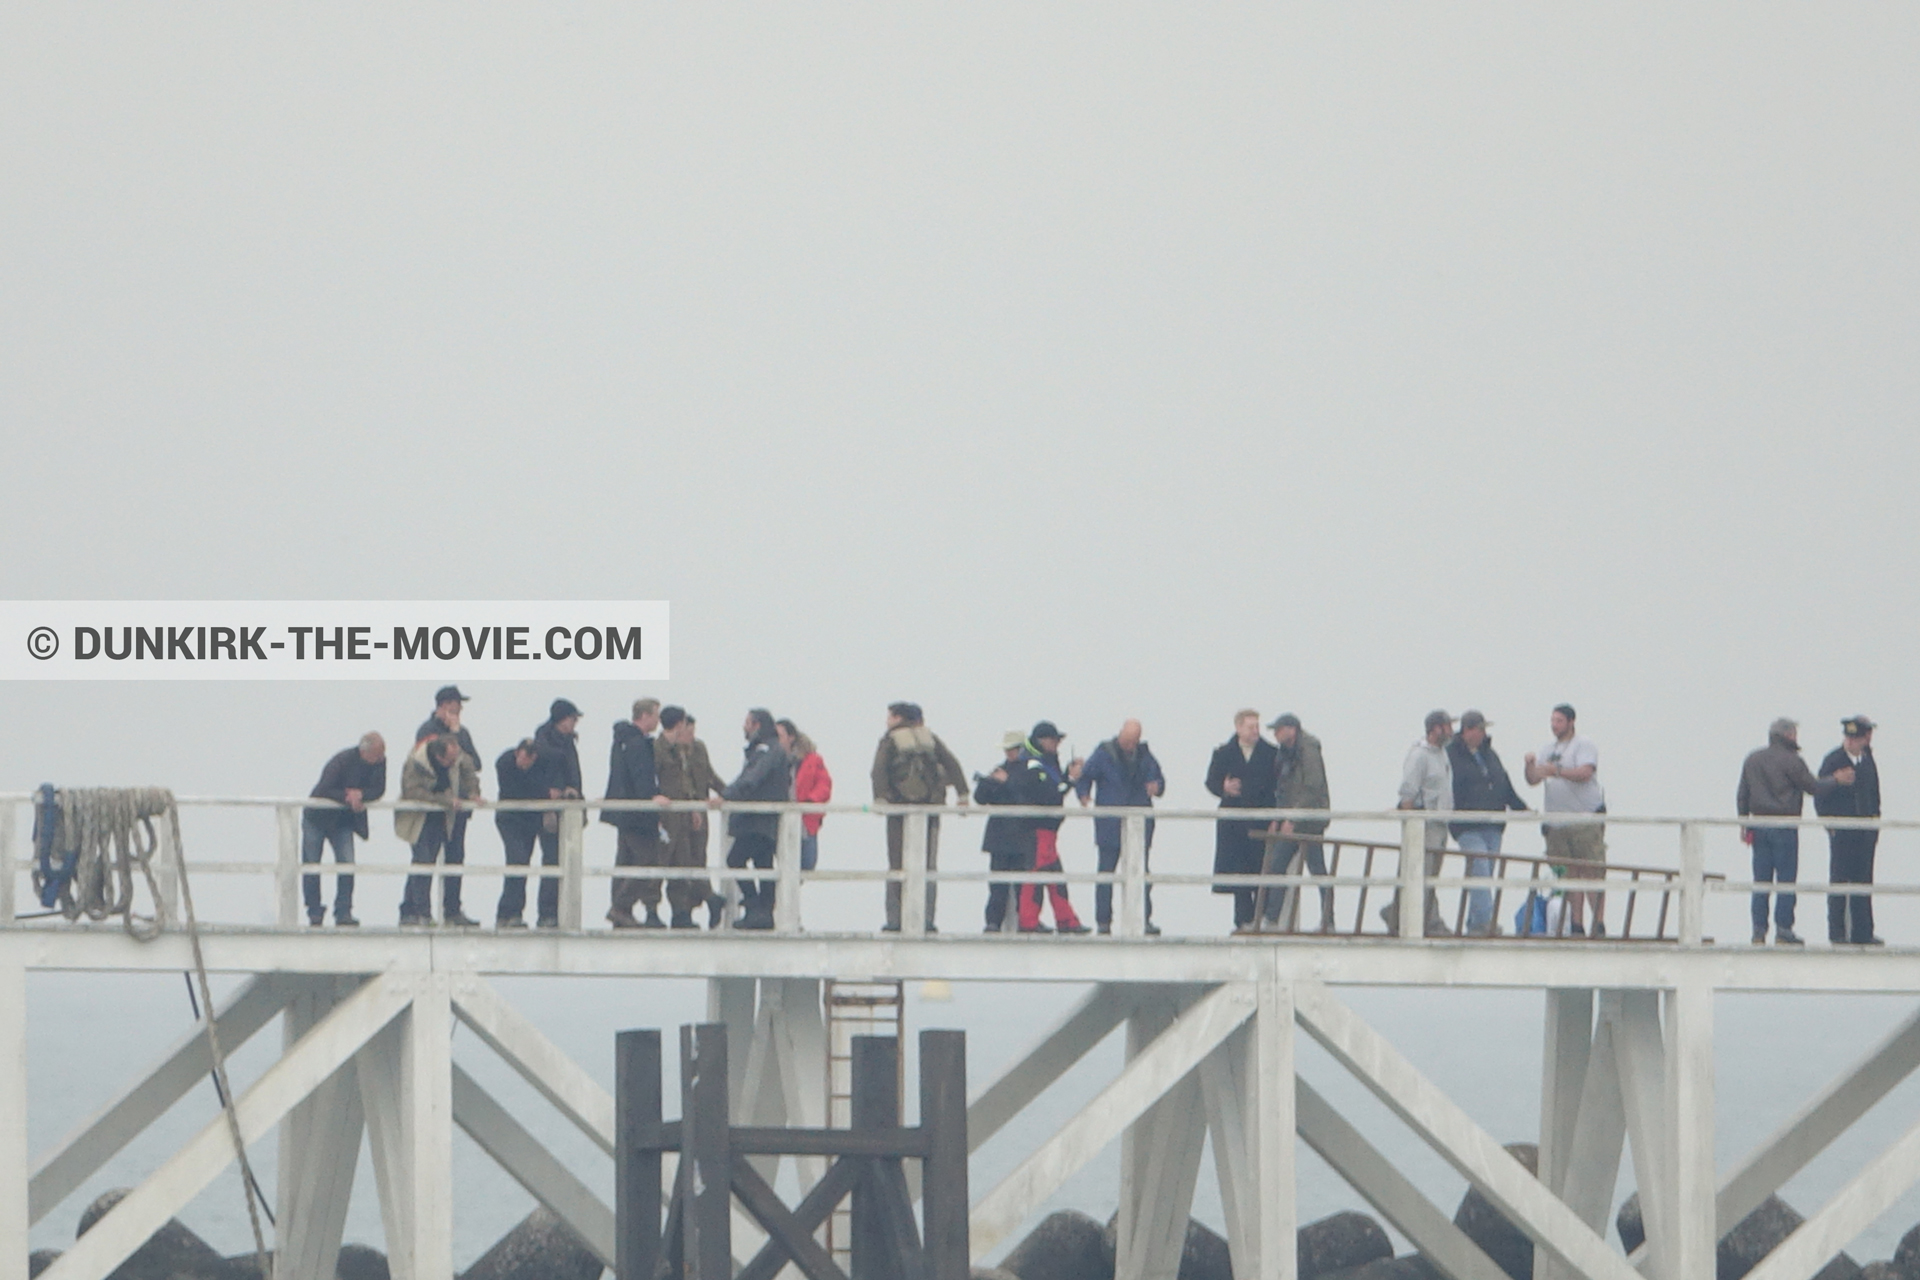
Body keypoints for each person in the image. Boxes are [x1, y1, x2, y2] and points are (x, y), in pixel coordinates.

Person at [1737, 717, 1850, 946]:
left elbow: (1742, 794)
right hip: (1785, 826)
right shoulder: (1792, 761)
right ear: (1788, 735)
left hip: (1758, 825)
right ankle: (1783, 930)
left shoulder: (1753, 759)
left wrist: (1744, 823)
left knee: (1761, 881)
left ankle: (1758, 932)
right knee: (1786, 880)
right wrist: (1836, 780)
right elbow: (1813, 787)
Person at [870, 702, 970, 932]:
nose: (887, 721)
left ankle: (895, 920)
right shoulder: (930, 739)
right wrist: (963, 793)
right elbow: (952, 764)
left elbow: (878, 770)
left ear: (898, 718)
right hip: (930, 811)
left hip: (900, 811)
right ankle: (926, 919)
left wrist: (880, 799)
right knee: (928, 865)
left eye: (890, 716)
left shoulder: (891, 740)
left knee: (897, 865)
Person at [1074, 720, 1166, 935]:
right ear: (1120, 736)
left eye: (1134, 741)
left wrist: (1157, 786)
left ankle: (1143, 919)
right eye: (1127, 740)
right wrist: (1083, 794)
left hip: (1139, 824)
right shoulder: (1104, 753)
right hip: (1109, 824)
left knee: (1141, 873)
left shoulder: (1145, 755)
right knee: (1106, 873)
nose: (1130, 745)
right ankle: (1104, 922)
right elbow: (1085, 776)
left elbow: (1159, 779)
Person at [1525, 704, 1607, 937]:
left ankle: (1598, 923)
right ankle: (1577, 924)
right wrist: (1530, 765)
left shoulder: (1584, 744)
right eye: (1552, 721)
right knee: (1569, 873)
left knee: (1591, 871)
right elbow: (1533, 779)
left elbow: (1585, 773)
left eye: (1559, 721)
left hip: (1584, 820)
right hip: (1557, 824)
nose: (1554, 725)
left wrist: (1557, 771)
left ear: (1571, 722)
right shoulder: (1547, 748)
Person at [1446, 711, 1528, 937]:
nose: (1483, 734)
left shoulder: (1490, 754)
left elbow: (1503, 782)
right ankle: (1484, 922)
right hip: (1467, 825)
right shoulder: (1451, 755)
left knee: (1485, 873)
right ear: (1467, 731)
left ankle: (1475, 922)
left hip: (1493, 825)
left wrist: (1520, 807)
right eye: (1479, 729)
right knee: (1480, 868)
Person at [714, 708, 790, 930]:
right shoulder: (770, 749)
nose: (744, 727)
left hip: (757, 821)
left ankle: (756, 908)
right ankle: (762, 914)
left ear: (757, 725)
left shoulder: (767, 750)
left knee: (735, 860)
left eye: (747, 722)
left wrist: (726, 796)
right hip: (762, 821)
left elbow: (752, 779)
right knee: (763, 865)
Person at [300, 732, 386, 927]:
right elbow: (324, 789)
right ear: (364, 751)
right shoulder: (341, 761)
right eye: (376, 756)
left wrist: (361, 794)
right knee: (312, 865)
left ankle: (343, 911)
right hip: (317, 819)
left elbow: (379, 789)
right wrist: (347, 796)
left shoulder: (380, 762)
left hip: (343, 822)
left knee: (347, 864)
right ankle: (314, 912)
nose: (379, 760)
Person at [396, 733, 483, 927]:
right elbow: (411, 791)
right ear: (439, 757)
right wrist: (444, 800)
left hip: (448, 818)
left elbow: (469, 773)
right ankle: (419, 913)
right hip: (421, 820)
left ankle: (451, 912)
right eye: (450, 760)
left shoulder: (458, 757)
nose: (454, 763)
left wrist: (473, 792)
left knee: (452, 861)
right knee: (423, 862)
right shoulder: (416, 762)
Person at [1205, 710, 1280, 931]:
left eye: (1257, 726)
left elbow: (1279, 787)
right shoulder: (1223, 753)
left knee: (1261, 871)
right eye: (1250, 726)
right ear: (1238, 728)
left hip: (1262, 821)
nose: (1255, 730)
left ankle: (1261, 921)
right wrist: (1223, 788)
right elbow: (1210, 781)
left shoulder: (1271, 754)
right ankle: (1242, 922)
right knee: (1239, 875)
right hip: (1234, 824)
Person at [654, 707, 727, 928]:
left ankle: (691, 908)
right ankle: (705, 900)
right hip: (674, 817)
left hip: (697, 815)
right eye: (688, 731)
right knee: (679, 862)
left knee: (696, 859)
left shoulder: (698, 749)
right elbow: (676, 782)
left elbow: (710, 776)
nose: (691, 737)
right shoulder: (666, 750)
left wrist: (729, 794)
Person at [519, 698, 586, 929]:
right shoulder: (546, 741)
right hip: (549, 810)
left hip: (567, 808)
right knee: (551, 860)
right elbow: (551, 767)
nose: (575, 723)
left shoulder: (564, 741)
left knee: (561, 861)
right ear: (562, 719)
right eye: (572, 718)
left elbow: (573, 774)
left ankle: (555, 912)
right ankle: (547, 913)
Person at [1261, 714, 1332, 933]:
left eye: (1279, 729)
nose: (1275, 734)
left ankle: (1328, 921)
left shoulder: (1308, 750)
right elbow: (1283, 789)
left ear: (1291, 730)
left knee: (1317, 869)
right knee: (1278, 866)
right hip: (1294, 819)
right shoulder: (1285, 754)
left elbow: (1312, 787)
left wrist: (1293, 818)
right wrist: (1279, 817)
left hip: (1310, 820)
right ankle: (1272, 919)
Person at [1386, 710, 1454, 936]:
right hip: (1424, 823)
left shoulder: (1441, 754)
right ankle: (1425, 921)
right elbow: (1408, 792)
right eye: (1447, 726)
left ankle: (1398, 914)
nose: (1451, 730)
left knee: (1429, 874)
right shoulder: (1419, 755)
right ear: (1435, 728)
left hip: (1440, 822)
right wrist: (1411, 825)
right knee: (1420, 873)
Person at [1019, 722, 1090, 935]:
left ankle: (1066, 920)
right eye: (1054, 740)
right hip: (1038, 829)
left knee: (1054, 877)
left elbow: (1055, 788)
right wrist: (1070, 779)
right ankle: (1029, 922)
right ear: (1043, 740)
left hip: (1048, 831)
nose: (1057, 744)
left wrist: (1067, 777)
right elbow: (1049, 794)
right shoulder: (1032, 763)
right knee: (1036, 875)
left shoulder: (1046, 761)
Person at [605, 699, 670, 929]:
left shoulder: (623, 740)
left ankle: (621, 912)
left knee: (625, 859)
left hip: (625, 812)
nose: (658, 720)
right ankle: (621, 907)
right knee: (646, 859)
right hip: (637, 814)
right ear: (644, 716)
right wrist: (651, 797)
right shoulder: (636, 743)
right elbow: (640, 774)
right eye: (655, 715)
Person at [1818, 716, 1882, 946]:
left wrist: (1875, 824)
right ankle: (1837, 932)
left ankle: (1863, 932)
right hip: (1843, 833)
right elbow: (1819, 795)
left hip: (1865, 834)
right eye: (1849, 737)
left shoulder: (1868, 760)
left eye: (1856, 737)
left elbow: (1874, 795)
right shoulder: (1833, 760)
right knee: (1839, 881)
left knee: (1863, 882)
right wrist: (1830, 826)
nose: (1851, 742)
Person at [415, 686, 482, 903]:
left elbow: (475, 763)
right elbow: (429, 764)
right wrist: (452, 735)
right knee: (426, 858)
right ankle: (416, 909)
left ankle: (453, 908)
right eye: (456, 705)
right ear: (444, 706)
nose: (460, 709)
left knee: (455, 858)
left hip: (458, 808)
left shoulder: (462, 732)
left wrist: (457, 734)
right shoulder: (427, 730)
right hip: (435, 807)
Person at [975, 731, 1034, 932]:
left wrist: (1006, 784)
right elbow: (981, 798)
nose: (1009, 753)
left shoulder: (1031, 771)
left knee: (1021, 887)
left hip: (1021, 838)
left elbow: (1025, 797)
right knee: (997, 887)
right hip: (1000, 838)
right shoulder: (1000, 770)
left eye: (1013, 749)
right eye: (1007, 749)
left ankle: (1024, 923)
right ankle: (993, 922)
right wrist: (987, 783)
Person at [494, 738, 555, 928]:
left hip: (530, 821)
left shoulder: (544, 761)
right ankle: (508, 913)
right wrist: (545, 793)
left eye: (526, 759)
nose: (522, 763)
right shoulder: (504, 762)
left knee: (522, 863)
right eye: (520, 757)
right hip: (510, 820)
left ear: (534, 757)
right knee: (517, 861)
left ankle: (512, 913)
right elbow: (514, 790)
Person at [777, 719, 832, 872]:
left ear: (791, 737)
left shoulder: (813, 759)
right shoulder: (773, 760)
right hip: (781, 820)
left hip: (806, 821)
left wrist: (810, 801)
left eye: (779, 735)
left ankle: (783, 894)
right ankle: (777, 895)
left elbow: (824, 785)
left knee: (807, 863)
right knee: (785, 865)